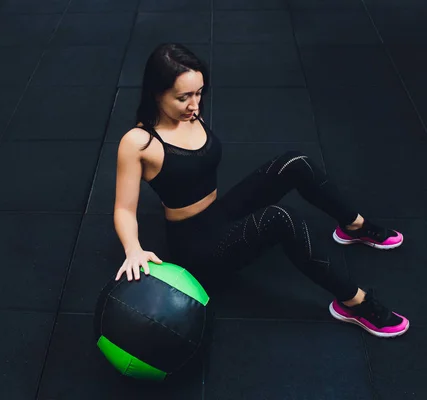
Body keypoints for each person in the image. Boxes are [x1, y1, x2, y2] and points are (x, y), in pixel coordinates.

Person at [112, 43, 409, 338]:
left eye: (199, 93)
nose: (195, 105)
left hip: (219, 214)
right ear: (156, 92)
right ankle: (354, 303)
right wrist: (133, 249)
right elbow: (124, 209)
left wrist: (187, 105)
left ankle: (354, 225)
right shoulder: (139, 142)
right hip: (196, 248)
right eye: (183, 97)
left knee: (294, 163)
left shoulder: (190, 114)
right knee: (280, 218)